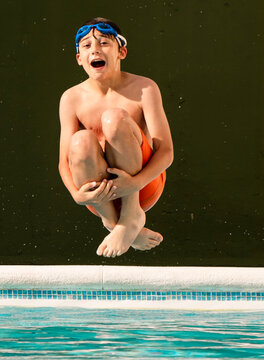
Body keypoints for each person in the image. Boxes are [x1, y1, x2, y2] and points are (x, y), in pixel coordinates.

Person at [58, 17, 174, 258]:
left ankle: (131, 215)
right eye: (87, 45)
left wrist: (136, 182)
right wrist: (75, 195)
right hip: (99, 199)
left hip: (142, 187)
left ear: (121, 52)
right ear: (79, 59)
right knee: (79, 141)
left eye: (103, 43)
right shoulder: (71, 98)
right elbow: (64, 162)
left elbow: (166, 152)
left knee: (114, 118)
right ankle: (114, 224)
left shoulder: (144, 88)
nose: (95, 49)